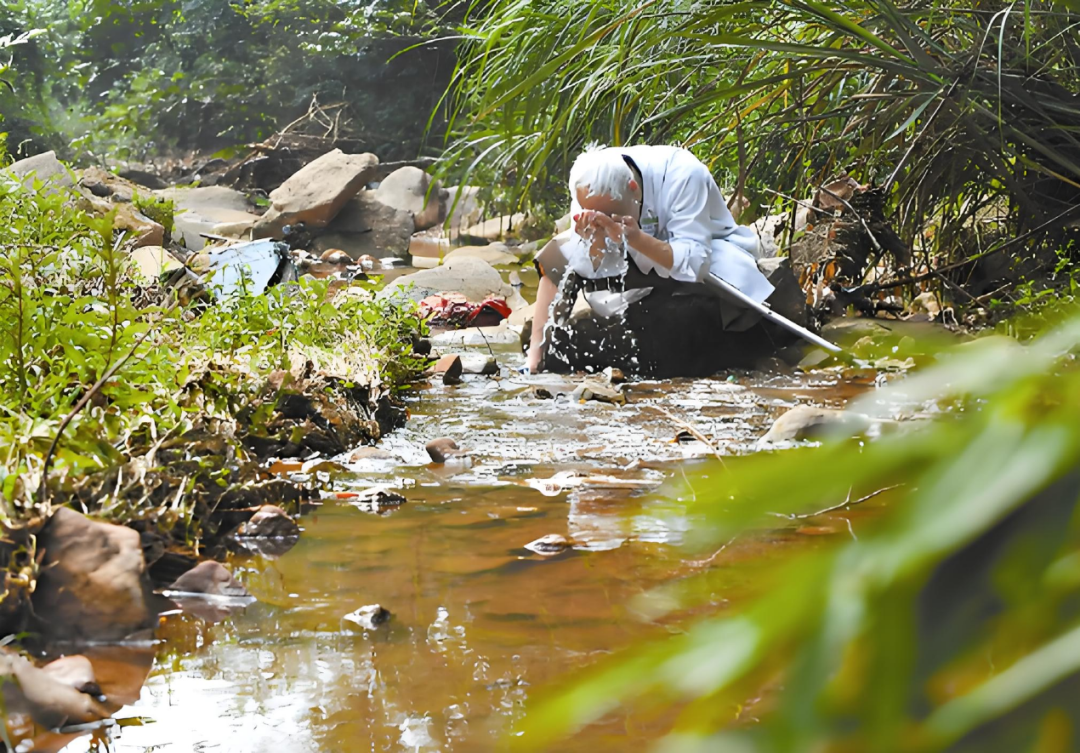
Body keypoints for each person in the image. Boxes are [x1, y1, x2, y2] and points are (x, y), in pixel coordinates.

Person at [525, 144, 789, 377]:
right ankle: (539, 353)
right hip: (641, 273)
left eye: (612, 215)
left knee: (687, 327)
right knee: (559, 253)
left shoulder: (683, 174)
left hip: (705, 260)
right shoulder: (588, 180)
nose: (602, 221)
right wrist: (593, 244)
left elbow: (694, 263)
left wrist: (635, 238)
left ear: (634, 188)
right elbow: (567, 264)